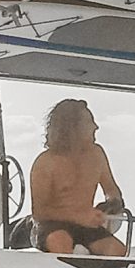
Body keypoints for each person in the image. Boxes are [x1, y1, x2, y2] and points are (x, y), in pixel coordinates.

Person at [31, 98, 128, 255]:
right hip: (51, 227)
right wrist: (78, 216)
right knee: (60, 242)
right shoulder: (45, 162)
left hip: (87, 226)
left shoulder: (97, 154)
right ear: (72, 128)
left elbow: (111, 189)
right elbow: (39, 212)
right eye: (90, 122)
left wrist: (113, 205)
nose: (96, 127)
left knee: (117, 250)